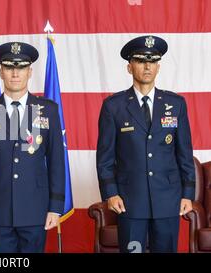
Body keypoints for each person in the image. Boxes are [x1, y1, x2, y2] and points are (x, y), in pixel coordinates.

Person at [96, 35, 195, 253]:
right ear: (129, 67)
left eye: (152, 61)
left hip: (168, 198)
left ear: (158, 67)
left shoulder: (176, 104)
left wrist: (188, 194)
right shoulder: (114, 106)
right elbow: (105, 158)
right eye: (140, 60)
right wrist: (111, 193)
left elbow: (184, 153)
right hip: (130, 200)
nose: (147, 66)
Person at [0, 42, 66, 253]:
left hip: (35, 208)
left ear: (29, 71)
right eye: (9, 67)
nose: (15, 73)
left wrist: (56, 207)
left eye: (21, 67)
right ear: (1, 71)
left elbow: (57, 161)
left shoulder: (48, 110)